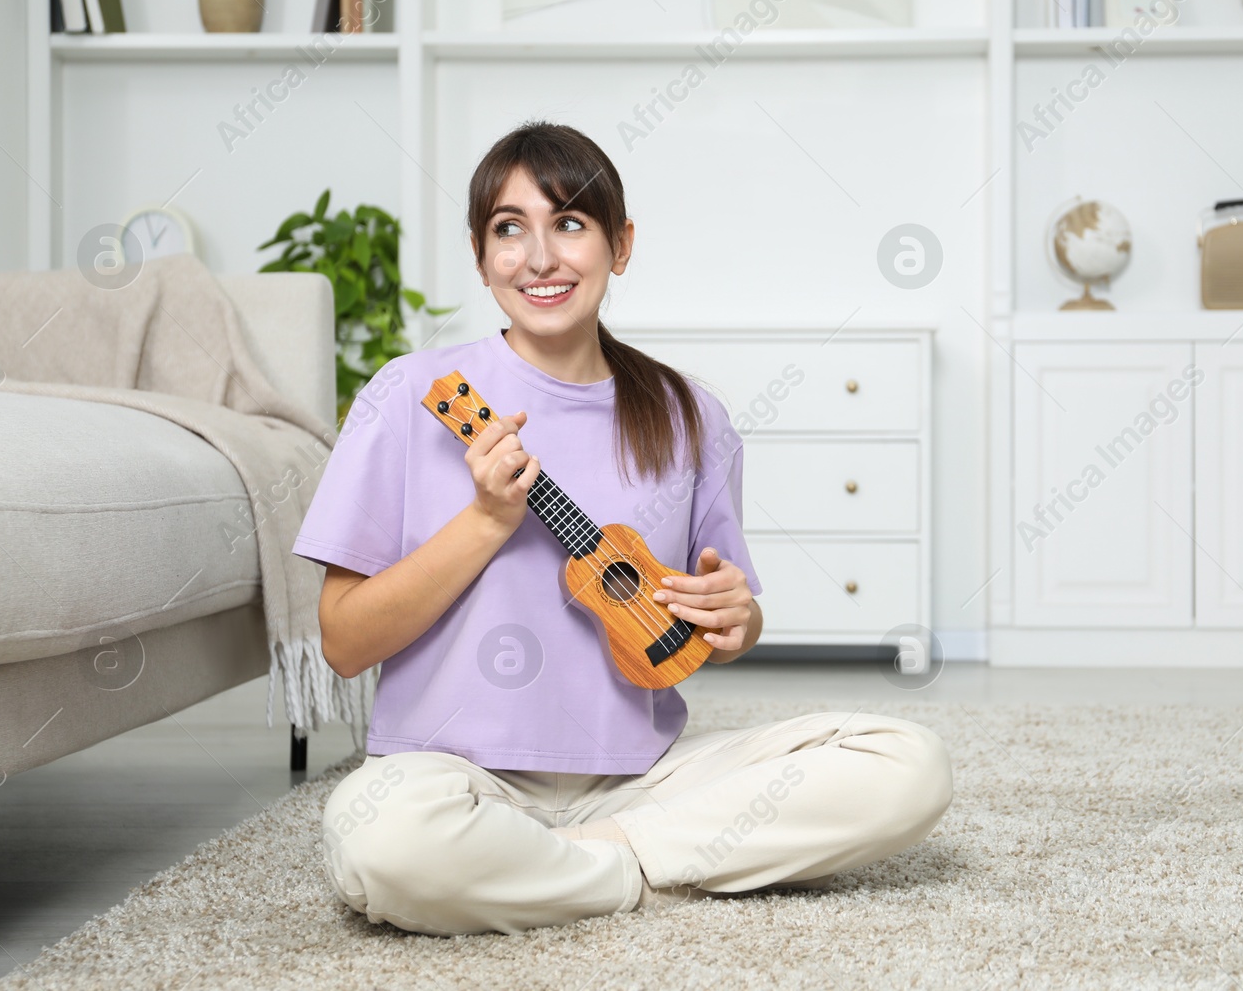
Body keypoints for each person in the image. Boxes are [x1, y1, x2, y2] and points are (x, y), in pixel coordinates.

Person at [292, 121, 952, 936]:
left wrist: (737, 617)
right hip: (457, 777)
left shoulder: (687, 415)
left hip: (644, 777)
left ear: (621, 243)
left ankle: (578, 861)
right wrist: (488, 519)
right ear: (479, 253)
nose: (540, 258)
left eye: (569, 223)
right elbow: (344, 643)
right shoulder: (411, 393)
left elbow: (717, 631)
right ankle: (640, 868)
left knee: (908, 766)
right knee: (379, 835)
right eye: (510, 229)